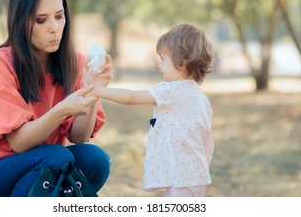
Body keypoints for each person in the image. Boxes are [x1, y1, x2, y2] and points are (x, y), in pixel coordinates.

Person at [0, 0, 112, 197]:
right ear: (22, 22)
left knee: (94, 159)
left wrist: (92, 91)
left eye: (59, 17)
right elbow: (19, 144)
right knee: (56, 158)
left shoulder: (75, 62)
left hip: (43, 168)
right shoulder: (0, 63)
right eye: (41, 20)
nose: (54, 28)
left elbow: (79, 137)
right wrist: (62, 109)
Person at [86, 23, 214, 197]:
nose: (159, 65)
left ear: (182, 63)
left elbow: (131, 98)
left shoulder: (171, 90)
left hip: (180, 174)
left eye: (163, 59)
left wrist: (96, 90)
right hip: (195, 171)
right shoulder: (201, 97)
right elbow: (207, 137)